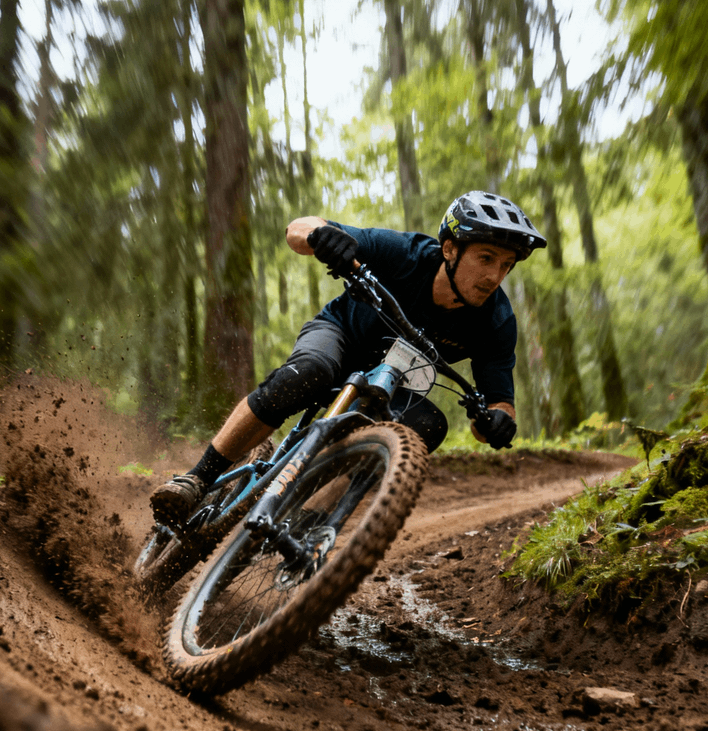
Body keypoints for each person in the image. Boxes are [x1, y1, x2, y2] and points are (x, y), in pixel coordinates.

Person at [151, 190, 546, 528]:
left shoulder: (496, 320)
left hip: (391, 383)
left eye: (506, 266)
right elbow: (298, 229)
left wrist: (496, 424)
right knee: (309, 373)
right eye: (486, 258)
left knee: (427, 426)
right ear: (450, 250)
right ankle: (197, 479)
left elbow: (499, 403)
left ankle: (312, 517)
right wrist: (323, 237)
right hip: (340, 337)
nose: (495, 276)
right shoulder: (404, 254)